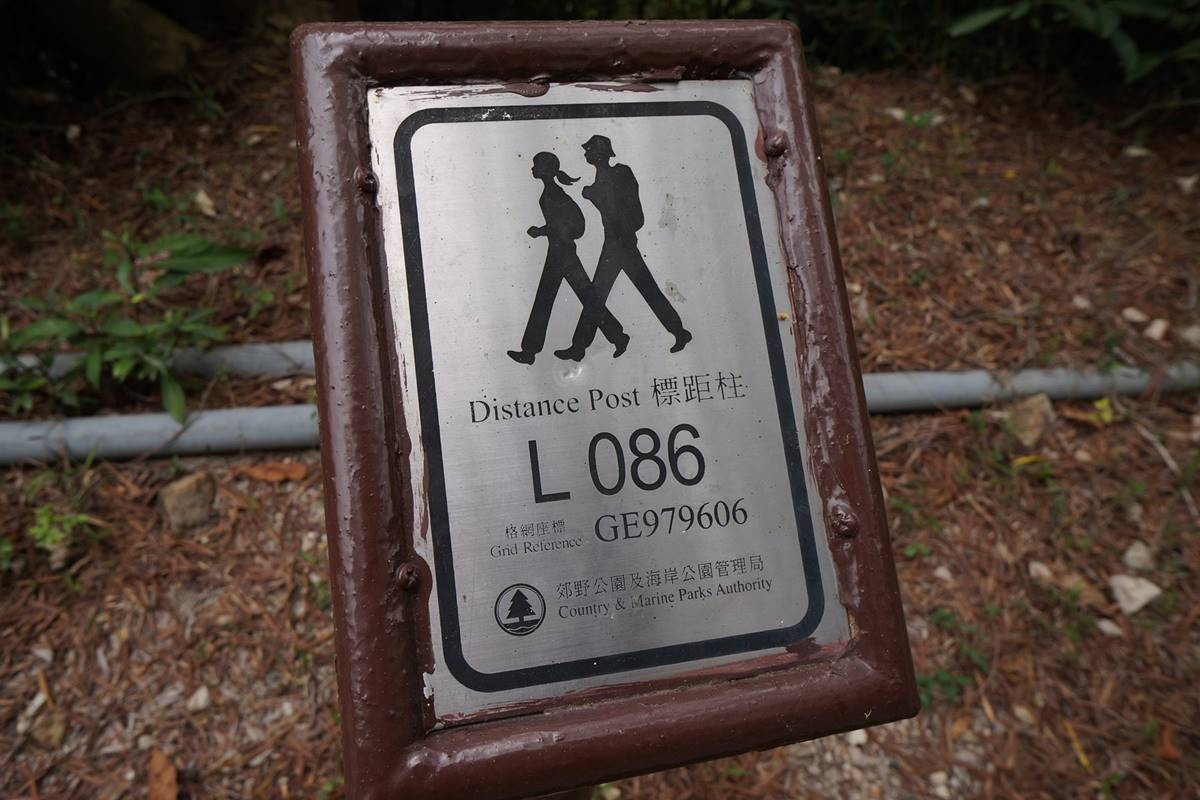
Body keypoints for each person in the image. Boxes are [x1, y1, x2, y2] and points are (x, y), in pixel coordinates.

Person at [554, 134, 691, 362]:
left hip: (622, 242)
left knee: (607, 294)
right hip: (613, 242)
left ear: (600, 153)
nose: (586, 153)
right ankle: (588, 345)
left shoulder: (620, 172)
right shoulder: (603, 176)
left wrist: (592, 193)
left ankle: (675, 332)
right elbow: (601, 198)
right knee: (604, 295)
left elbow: (619, 203)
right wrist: (589, 191)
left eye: (589, 150)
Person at [507, 152, 629, 365]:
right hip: (558, 253)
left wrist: (544, 231)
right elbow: (561, 224)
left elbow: (575, 224)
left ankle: (530, 351)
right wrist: (546, 231)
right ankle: (616, 337)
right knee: (580, 299)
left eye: (536, 165)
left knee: (555, 300)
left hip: (563, 255)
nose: (532, 168)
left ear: (546, 169)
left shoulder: (556, 194)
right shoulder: (550, 192)